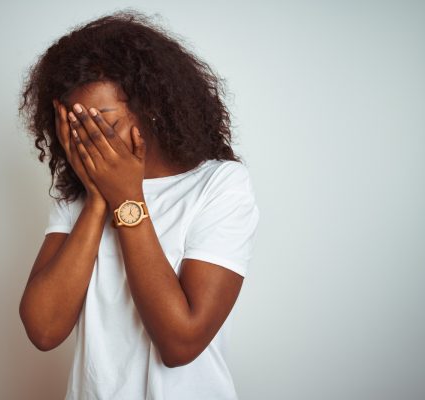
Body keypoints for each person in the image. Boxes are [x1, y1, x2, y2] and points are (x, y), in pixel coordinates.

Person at [18, 9, 260, 400]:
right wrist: (97, 199)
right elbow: (44, 330)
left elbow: (180, 344)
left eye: (104, 122)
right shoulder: (78, 197)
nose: (91, 140)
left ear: (151, 107)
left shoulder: (219, 185)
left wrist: (127, 199)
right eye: (78, 127)